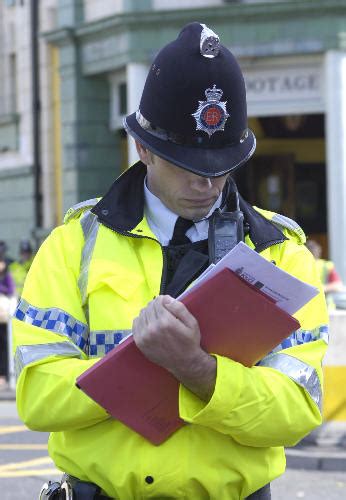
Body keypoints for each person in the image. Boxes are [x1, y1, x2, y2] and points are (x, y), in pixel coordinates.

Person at [13, 23, 328, 500]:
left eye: (223, 165)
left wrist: (197, 369)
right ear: (144, 148)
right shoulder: (73, 246)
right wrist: (160, 363)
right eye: (190, 166)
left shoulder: (282, 254)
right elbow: (37, 397)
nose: (210, 184)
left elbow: (297, 411)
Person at [0, 258, 16, 388]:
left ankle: (4, 375)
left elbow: (11, 291)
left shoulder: (7, 277)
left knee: (5, 347)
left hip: (4, 319)